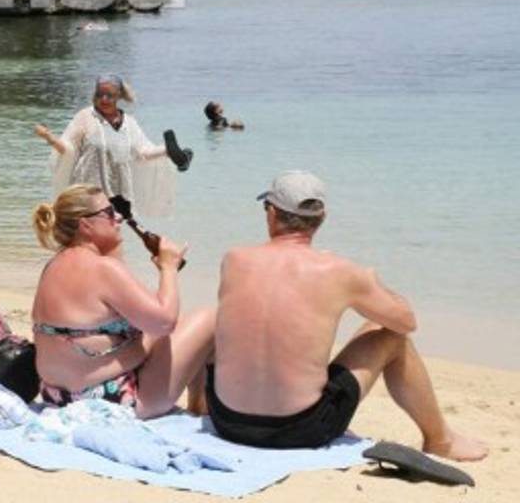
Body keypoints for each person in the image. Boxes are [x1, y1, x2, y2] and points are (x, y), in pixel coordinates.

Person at [209, 171, 487, 460]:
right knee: (391, 337)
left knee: (224, 322)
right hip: (299, 430)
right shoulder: (338, 271)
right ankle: (440, 440)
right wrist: (373, 282)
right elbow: (406, 322)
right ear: (322, 218)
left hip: (227, 421)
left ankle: (197, 405)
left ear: (271, 212)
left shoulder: (234, 259)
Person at [31, 184, 214, 417]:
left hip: (57, 396)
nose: (118, 217)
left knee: (155, 331)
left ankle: (199, 405)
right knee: (207, 320)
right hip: (112, 399)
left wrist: (114, 248)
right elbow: (164, 321)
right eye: (108, 213)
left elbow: (136, 315)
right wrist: (168, 268)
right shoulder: (103, 269)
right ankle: (200, 407)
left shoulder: (53, 266)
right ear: (85, 225)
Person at [35, 75, 177, 217]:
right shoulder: (85, 117)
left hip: (116, 197)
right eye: (99, 94)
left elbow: (143, 153)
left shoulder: (128, 123)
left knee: (109, 235)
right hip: (86, 194)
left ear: (118, 96)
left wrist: (168, 150)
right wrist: (49, 137)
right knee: (89, 232)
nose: (103, 99)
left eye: (109, 95)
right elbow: (68, 149)